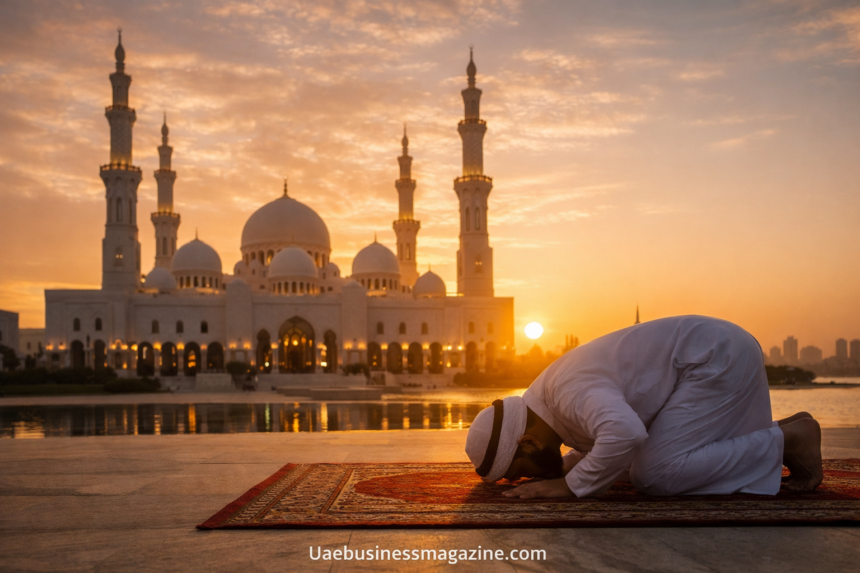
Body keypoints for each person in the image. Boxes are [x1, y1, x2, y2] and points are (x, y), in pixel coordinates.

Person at [465, 315, 822, 499]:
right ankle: (778, 432)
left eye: (520, 472)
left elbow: (625, 433)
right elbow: (604, 438)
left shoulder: (566, 391)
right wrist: (571, 466)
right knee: (636, 461)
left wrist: (569, 487)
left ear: (528, 442)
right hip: (708, 356)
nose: (525, 480)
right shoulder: (549, 401)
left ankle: (789, 441)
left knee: (655, 475)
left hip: (713, 358)